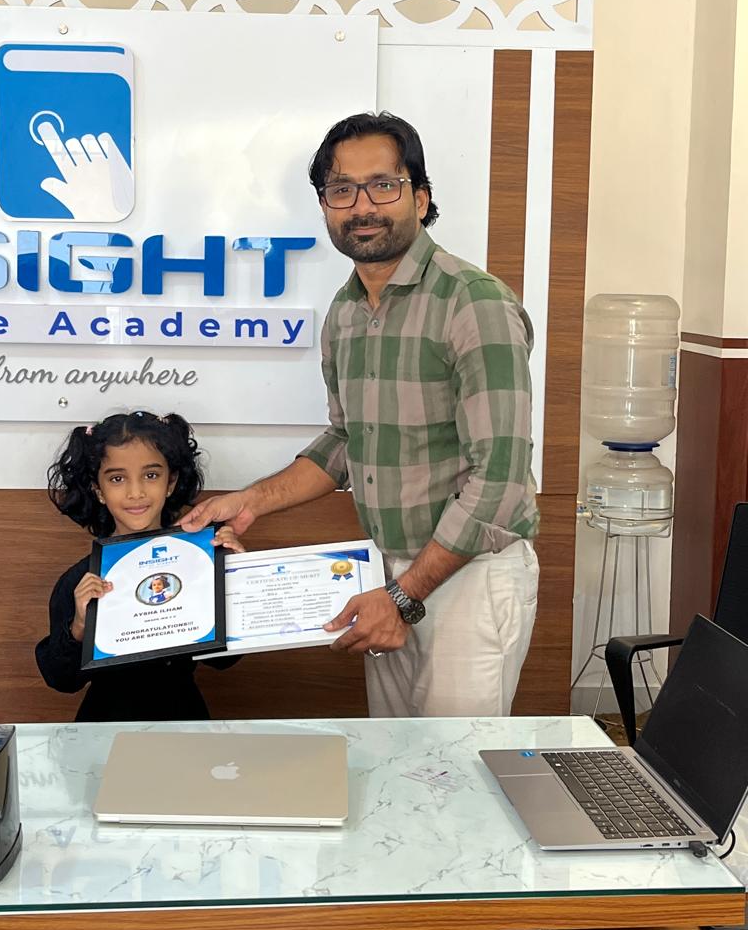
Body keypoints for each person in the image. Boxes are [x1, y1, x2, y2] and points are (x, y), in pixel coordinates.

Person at [182, 111, 539, 718]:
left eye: (383, 185)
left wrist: (402, 596)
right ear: (325, 207)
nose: (362, 206)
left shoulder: (473, 304)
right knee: (399, 758)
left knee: (454, 763)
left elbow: (500, 482)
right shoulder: (345, 313)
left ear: (420, 199)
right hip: (385, 575)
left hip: (469, 576)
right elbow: (348, 441)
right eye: (342, 189)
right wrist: (250, 502)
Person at [36, 410, 240, 722]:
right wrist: (79, 627)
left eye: (151, 475)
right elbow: (61, 680)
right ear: (98, 490)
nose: (136, 492)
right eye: (117, 479)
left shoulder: (199, 561)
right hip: (105, 729)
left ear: (171, 482)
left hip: (184, 723)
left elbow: (225, 660)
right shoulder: (82, 580)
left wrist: (233, 579)